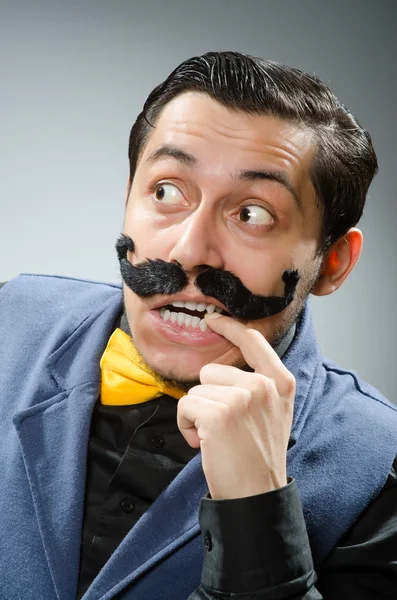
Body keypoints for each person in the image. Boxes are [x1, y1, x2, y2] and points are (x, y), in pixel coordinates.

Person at [0, 51, 396, 600]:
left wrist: (256, 509)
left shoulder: (380, 467)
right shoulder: (10, 321)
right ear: (128, 198)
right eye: (166, 191)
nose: (189, 251)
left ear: (331, 264)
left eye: (252, 213)